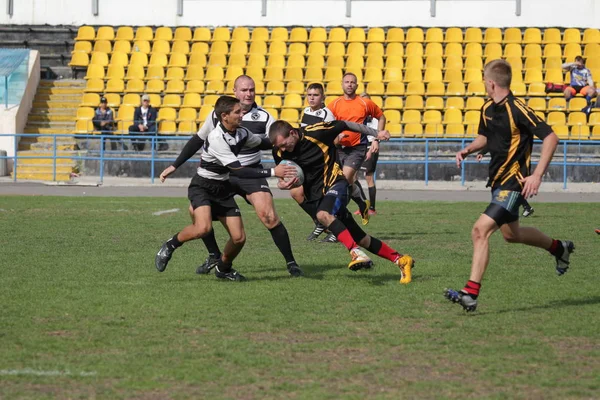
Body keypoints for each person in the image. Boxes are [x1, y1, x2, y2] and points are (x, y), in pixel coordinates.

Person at [446, 59, 575, 312]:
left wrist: (536, 175)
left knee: (480, 230)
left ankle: (470, 293)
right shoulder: (487, 108)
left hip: (514, 184)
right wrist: (469, 149)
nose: (484, 85)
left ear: (491, 83)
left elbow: (551, 137)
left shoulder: (518, 109)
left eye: (485, 81)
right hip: (497, 181)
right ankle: (560, 248)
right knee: (511, 235)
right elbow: (485, 137)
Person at [155, 96, 297, 281]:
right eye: (237, 112)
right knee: (203, 228)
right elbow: (239, 170)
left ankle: (223, 268)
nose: (242, 114)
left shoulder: (241, 132)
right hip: (203, 186)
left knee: (239, 238)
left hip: (222, 188)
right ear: (224, 116)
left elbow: (263, 143)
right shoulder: (216, 138)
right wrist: (272, 171)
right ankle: (171, 245)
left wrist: (288, 138)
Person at [269, 119, 415, 284]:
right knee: (361, 238)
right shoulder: (279, 152)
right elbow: (286, 177)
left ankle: (355, 252)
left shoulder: (317, 132)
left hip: (338, 184)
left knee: (323, 215)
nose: (282, 149)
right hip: (318, 196)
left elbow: (346, 124)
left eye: (284, 144)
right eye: (279, 146)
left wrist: (376, 134)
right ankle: (401, 260)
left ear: (293, 133)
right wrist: (282, 184)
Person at [194, 75, 303, 277]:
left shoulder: (264, 117)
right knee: (197, 211)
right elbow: (198, 139)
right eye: (244, 90)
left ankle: (291, 263)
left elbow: (275, 144)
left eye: (252, 90)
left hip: (251, 173)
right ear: (235, 92)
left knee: (269, 216)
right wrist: (175, 165)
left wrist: (281, 170)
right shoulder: (218, 114)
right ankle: (214, 256)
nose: (249, 94)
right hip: (224, 175)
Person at [328, 73, 386, 226]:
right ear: (342, 84)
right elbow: (326, 125)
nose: (349, 85)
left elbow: (381, 117)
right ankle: (362, 204)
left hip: (357, 149)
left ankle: (333, 218)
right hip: (339, 149)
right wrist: (334, 137)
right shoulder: (334, 104)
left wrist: (376, 139)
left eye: (352, 82)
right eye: (346, 82)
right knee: (348, 181)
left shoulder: (365, 103)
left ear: (357, 85)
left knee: (343, 181)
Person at [294, 83, 337, 242]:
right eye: (309, 94)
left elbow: (331, 139)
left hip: (320, 161)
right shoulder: (305, 111)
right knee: (298, 193)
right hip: (307, 159)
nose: (311, 98)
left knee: (323, 196)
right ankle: (320, 222)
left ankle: (334, 229)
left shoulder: (327, 115)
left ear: (323, 97)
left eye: (315, 95)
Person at [476, 147, 534, 217]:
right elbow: (493, 141)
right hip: (501, 165)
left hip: (513, 167)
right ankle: (526, 207)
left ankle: (494, 211)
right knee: (499, 187)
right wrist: (482, 152)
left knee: (511, 189)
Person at [354, 92, 380, 216]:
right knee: (352, 177)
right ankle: (363, 204)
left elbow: (377, 133)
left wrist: (372, 147)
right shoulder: (357, 116)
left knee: (368, 177)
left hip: (370, 146)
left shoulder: (374, 117)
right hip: (359, 147)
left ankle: (372, 208)